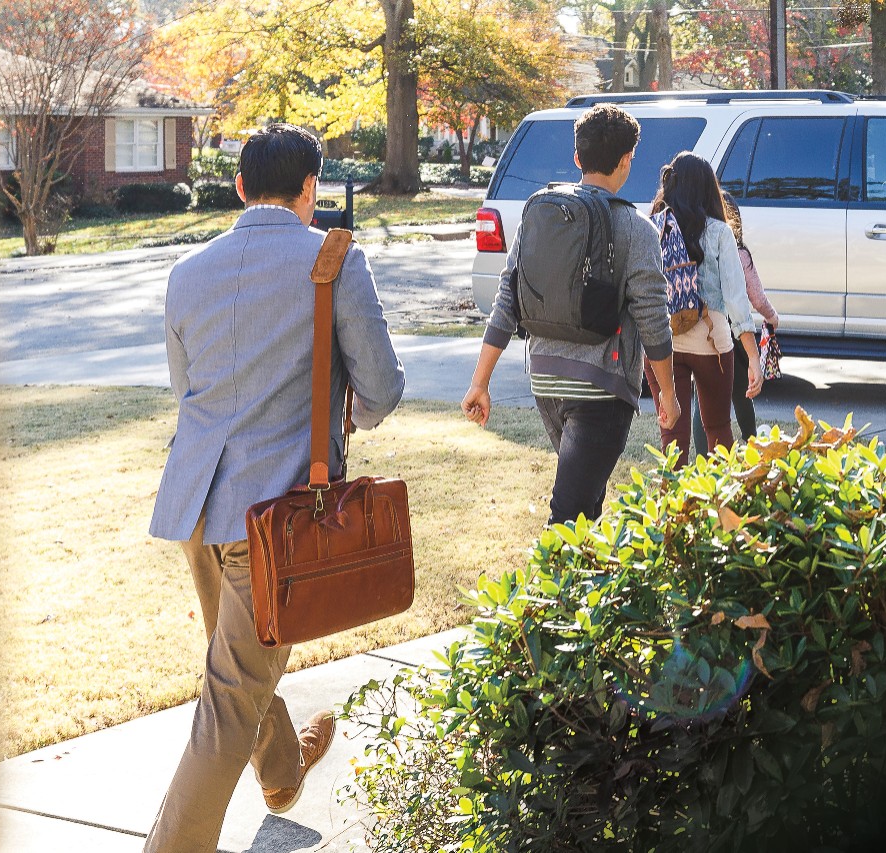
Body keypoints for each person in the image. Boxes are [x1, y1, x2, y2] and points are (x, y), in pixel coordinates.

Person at [144, 123, 405, 853]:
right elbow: (381, 389)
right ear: (310, 189)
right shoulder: (333, 259)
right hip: (275, 522)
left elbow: (185, 389)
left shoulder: (187, 271)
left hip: (197, 506)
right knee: (226, 706)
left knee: (234, 675)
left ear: (237, 186)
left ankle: (283, 769)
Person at [460, 103, 680, 525]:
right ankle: (544, 592)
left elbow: (508, 297)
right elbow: (654, 320)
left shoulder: (540, 214)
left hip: (544, 380)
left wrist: (480, 382)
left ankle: (582, 588)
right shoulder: (637, 229)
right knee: (568, 517)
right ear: (626, 161)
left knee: (585, 507)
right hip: (600, 390)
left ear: (577, 159)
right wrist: (667, 395)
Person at [643, 152, 761, 467]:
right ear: (710, 189)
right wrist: (752, 357)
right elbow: (737, 300)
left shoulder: (652, 228)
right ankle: (720, 507)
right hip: (712, 344)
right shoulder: (720, 233)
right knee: (718, 430)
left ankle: (672, 512)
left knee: (672, 437)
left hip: (661, 345)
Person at [726, 199, 780, 440]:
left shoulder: (702, 246)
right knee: (741, 393)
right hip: (736, 335)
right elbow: (757, 297)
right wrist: (771, 316)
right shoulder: (740, 253)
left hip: (706, 332)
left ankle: (704, 457)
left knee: (704, 396)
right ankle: (750, 441)